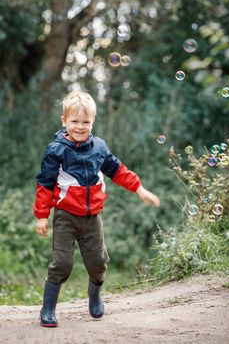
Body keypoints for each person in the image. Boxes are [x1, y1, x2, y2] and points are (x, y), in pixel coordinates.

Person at [34, 91, 160, 327]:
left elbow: (117, 170)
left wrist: (139, 189)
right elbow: (45, 184)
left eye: (86, 122)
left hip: (92, 217)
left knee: (98, 262)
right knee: (62, 263)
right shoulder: (55, 150)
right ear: (64, 121)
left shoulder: (99, 147)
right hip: (65, 216)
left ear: (93, 122)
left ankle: (95, 297)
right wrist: (42, 216)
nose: (80, 127)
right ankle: (48, 309)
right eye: (74, 121)